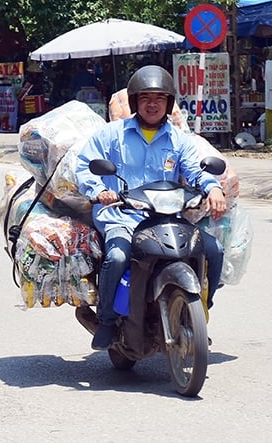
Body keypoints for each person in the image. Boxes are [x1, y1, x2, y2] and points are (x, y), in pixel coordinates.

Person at [76, 65, 227, 350]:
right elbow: (85, 167)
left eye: (159, 98)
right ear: (135, 102)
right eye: (145, 98)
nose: (153, 104)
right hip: (122, 216)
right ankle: (106, 321)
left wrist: (213, 188)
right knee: (118, 257)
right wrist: (100, 191)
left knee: (213, 250)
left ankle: (198, 311)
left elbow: (196, 170)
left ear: (169, 103)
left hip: (165, 217)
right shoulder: (111, 135)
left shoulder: (180, 140)